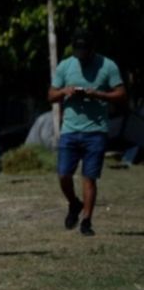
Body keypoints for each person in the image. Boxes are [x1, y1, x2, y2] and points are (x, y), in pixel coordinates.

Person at [47, 29, 126, 236]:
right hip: (70, 130)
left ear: (92, 48)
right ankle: (74, 203)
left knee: (89, 177)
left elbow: (121, 94)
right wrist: (64, 91)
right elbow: (51, 95)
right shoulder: (65, 66)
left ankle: (86, 221)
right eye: (78, 50)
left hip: (96, 131)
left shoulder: (107, 66)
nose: (81, 55)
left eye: (85, 50)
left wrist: (99, 94)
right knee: (63, 174)